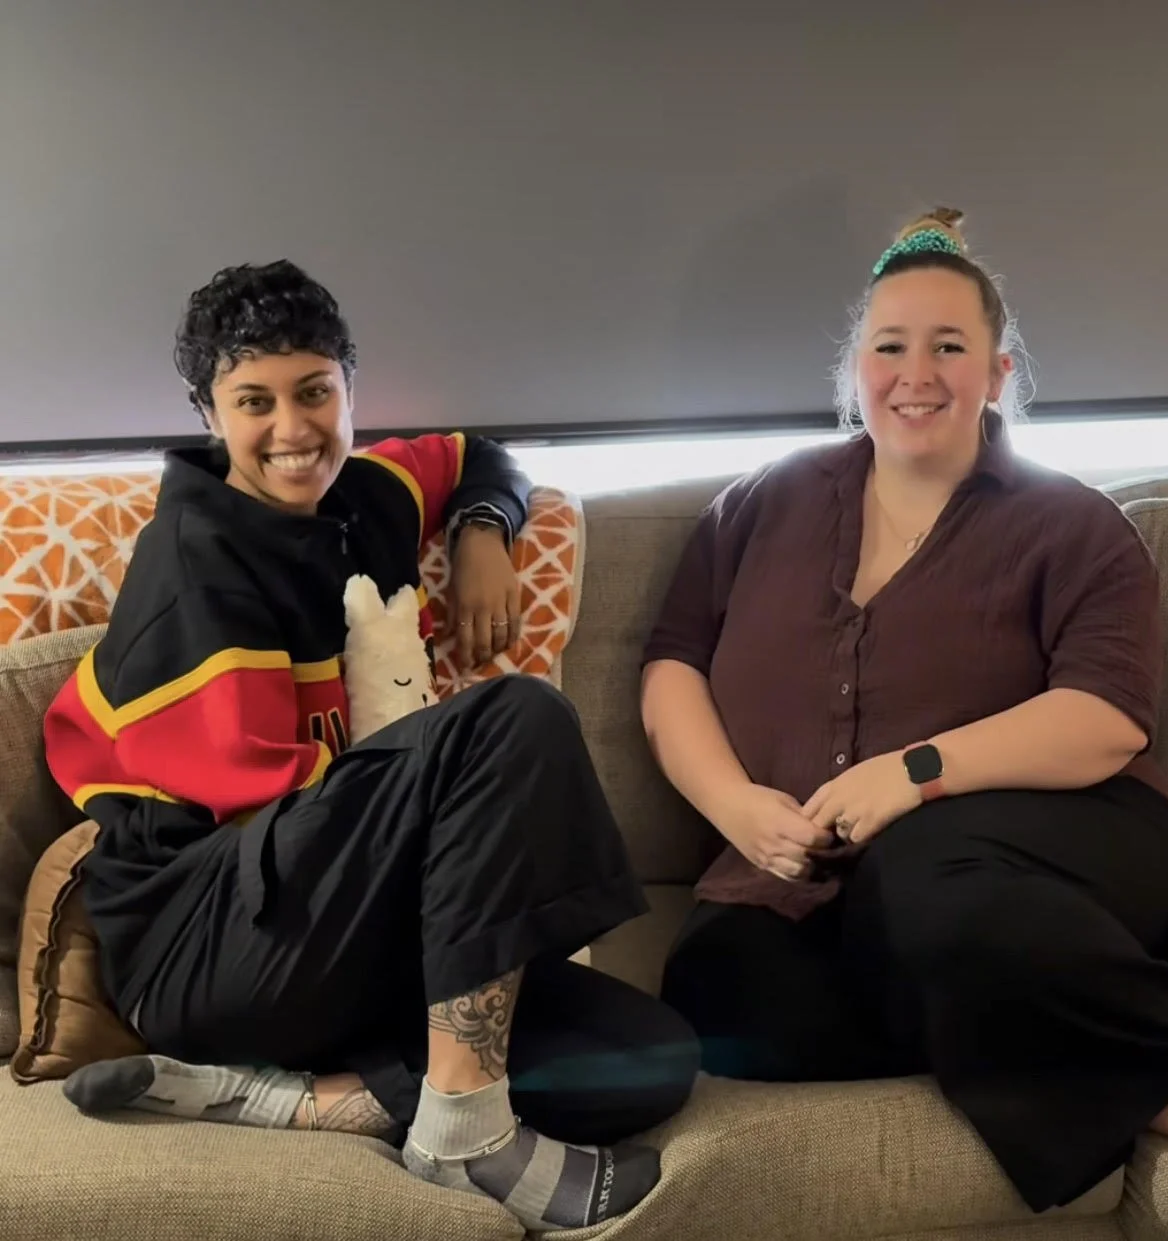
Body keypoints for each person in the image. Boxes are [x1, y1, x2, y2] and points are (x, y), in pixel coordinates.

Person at [45, 259, 698, 1233]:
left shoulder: (367, 495)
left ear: (350, 384)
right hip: (207, 938)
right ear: (208, 411)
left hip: (323, 923)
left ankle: (300, 1100)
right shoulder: (197, 564)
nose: (293, 429)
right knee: (514, 717)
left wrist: (482, 529)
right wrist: (466, 886)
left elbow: (478, 453)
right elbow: (281, 824)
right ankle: (469, 1132)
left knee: (647, 1055)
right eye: (253, 401)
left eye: (315, 391)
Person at [640, 208, 1168, 1220]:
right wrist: (736, 803)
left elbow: (1105, 716)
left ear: (999, 371)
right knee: (724, 988)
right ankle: (1116, 1069)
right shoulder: (758, 505)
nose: (916, 371)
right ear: (855, 367)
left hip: (1062, 847)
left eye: (949, 345)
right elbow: (672, 664)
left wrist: (914, 772)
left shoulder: (1073, 522)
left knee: (925, 881)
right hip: (812, 879)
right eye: (890, 345)